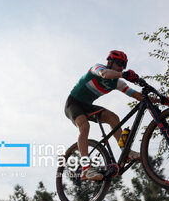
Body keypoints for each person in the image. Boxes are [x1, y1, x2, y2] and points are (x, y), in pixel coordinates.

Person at [64, 50, 159, 180]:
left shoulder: (117, 83)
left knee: (113, 118)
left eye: (123, 65)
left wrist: (160, 100)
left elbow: (137, 96)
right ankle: (86, 168)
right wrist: (123, 74)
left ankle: (125, 153)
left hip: (87, 107)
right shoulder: (97, 68)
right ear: (109, 62)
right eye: (119, 64)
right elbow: (104, 74)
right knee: (84, 126)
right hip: (73, 104)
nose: (121, 67)